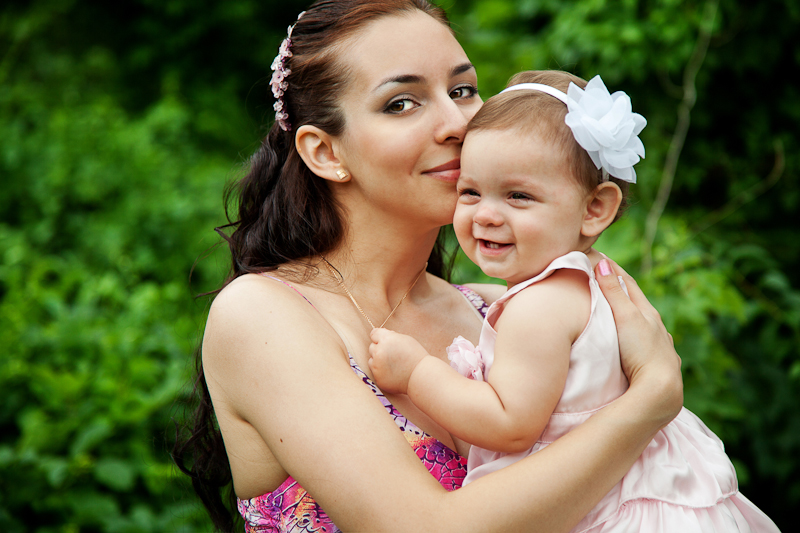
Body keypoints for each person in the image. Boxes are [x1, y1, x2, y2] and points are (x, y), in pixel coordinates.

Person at [173, 2, 684, 532]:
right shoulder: (264, 316)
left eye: (463, 90)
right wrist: (648, 403)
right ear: (325, 152)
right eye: (401, 103)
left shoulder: (507, 308)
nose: (458, 124)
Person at [368, 70, 780, 532]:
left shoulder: (539, 307)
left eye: (518, 196)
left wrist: (416, 372)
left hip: (598, 511)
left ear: (594, 209)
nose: (486, 214)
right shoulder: (592, 281)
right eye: (470, 191)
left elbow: (509, 424)